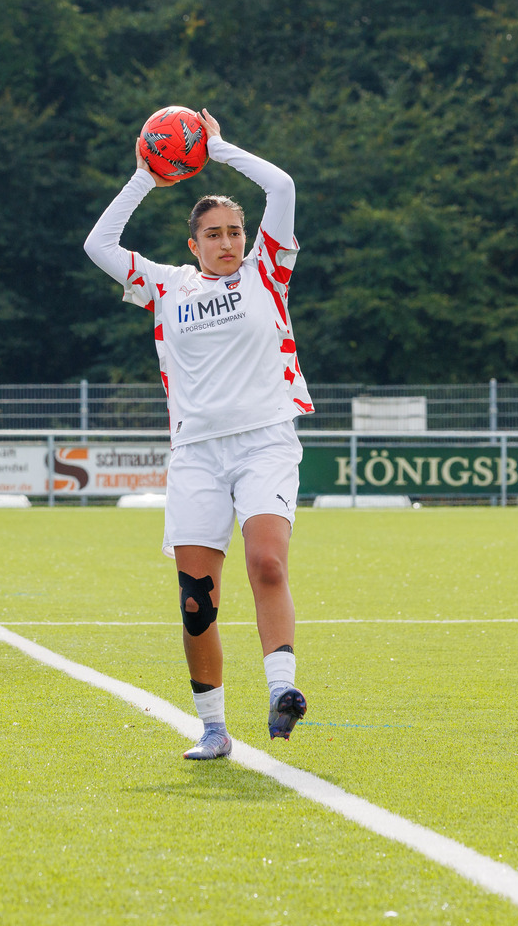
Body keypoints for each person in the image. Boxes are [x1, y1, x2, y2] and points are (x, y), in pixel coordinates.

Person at [84, 109, 314, 759]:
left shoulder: (267, 273)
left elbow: (284, 188)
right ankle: (213, 727)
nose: (226, 242)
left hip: (265, 438)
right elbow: (97, 248)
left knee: (266, 561)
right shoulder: (165, 286)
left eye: (234, 231)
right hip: (195, 455)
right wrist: (141, 178)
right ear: (192, 245)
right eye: (212, 234)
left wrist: (217, 148)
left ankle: (282, 690)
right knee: (196, 601)